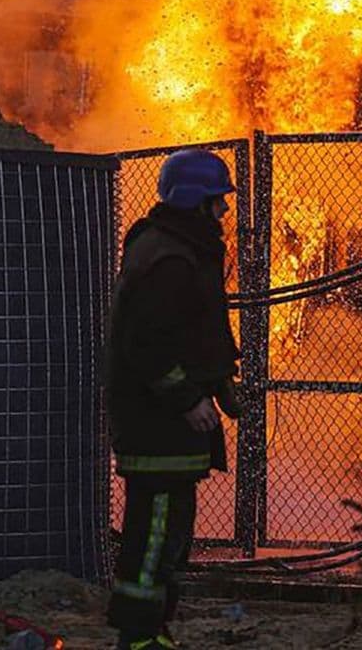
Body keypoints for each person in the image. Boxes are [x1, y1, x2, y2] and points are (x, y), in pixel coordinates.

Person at [106, 149, 241, 650]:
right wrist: (187, 398)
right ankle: (137, 637)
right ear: (195, 200)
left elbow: (195, 331)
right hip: (157, 422)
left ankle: (152, 628)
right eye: (217, 201)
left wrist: (221, 384)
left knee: (169, 532)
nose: (223, 212)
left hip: (166, 423)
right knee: (155, 531)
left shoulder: (180, 248)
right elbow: (147, 344)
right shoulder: (170, 257)